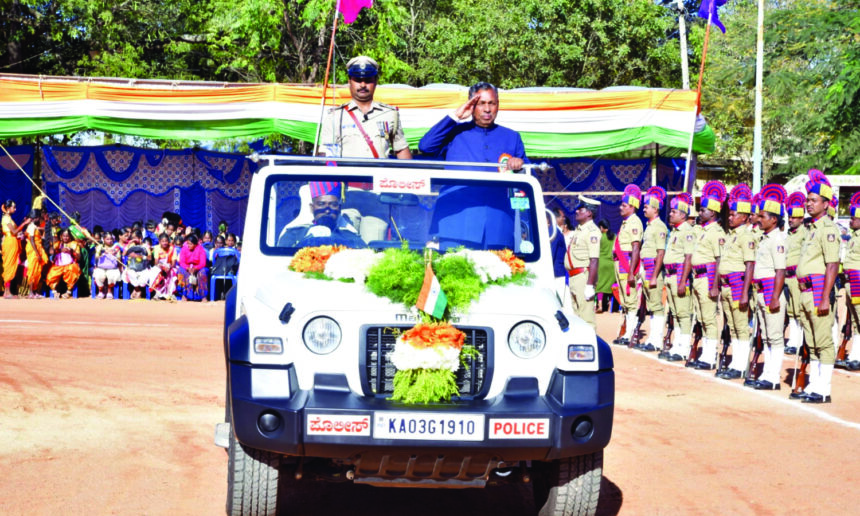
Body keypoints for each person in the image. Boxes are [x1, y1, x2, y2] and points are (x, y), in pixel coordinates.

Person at [793, 169, 841, 403]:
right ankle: (814, 385)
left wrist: (824, 298)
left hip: (818, 291)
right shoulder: (811, 229)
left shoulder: (828, 230)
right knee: (811, 342)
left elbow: (832, 265)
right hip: (805, 292)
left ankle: (824, 389)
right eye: (807, 200)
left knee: (823, 341)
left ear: (825, 204)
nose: (808, 204)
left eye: (813, 200)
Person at [319, 56, 412, 159]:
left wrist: (411, 174)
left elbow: (401, 150)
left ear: (376, 81)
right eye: (358, 80)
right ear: (349, 82)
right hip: (348, 175)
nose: (363, 85)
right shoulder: (335, 116)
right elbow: (326, 156)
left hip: (380, 174)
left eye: (367, 80)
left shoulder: (390, 114)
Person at [419, 82, 526, 170]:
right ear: (471, 104)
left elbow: (530, 174)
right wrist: (456, 116)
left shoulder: (512, 137)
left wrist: (519, 164)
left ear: (498, 104)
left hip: (496, 196)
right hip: (456, 195)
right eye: (481, 103)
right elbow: (425, 147)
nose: (487, 109)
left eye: (492, 103)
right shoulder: (454, 132)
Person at [716, 184, 757, 379]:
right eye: (729, 214)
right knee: (732, 325)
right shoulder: (730, 235)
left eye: (733, 214)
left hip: (737, 285)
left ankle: (741, 365)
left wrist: (743, 293)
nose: (730, 217)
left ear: (744, 217)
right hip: (726, 285)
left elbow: (750, 265)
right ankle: (736, 362)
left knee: (740, 326)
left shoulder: (746, 237)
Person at [750, 185, 789, 390]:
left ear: (774, 219)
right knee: (765, 335)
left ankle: (773, 377)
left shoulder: (777, 240)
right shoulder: (765, 238)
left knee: (774, 336)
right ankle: (767, 373)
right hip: (761, 291)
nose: (759, 219)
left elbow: (780, 271)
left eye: (763, 216)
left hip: (771, 292)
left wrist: (774, 297)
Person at [689, 181, 727, 369]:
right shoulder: (703, 230)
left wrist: (715, 286)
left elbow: (720, 260)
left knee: (709, 318)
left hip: (708, 278)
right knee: (701, 318)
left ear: (712, 212)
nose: (700, 212)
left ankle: (711, 357)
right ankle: (706, 353)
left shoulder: (717, 232)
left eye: (703, 209)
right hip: (698, 277)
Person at [278, 182, 367, 248]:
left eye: (333, 204)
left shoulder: (351, 237)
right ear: (311, 208)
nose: (327, 211)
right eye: (321, 204)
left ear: (339, 208)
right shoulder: (293, 234)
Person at [661, 193, 696, 361]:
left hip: (679, 276)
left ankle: (683, 348)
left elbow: (689, 257)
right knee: (675, 313)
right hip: (670, 275)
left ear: (683, 214)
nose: (670, 214)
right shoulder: (675, 231)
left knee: (683, 313)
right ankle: (677, 345)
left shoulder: (687, 231)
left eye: (674, 212)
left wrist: (683, 280)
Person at [637, 186, 669, 351]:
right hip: (646, 269)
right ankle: (652, 338)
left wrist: (655, 275)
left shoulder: (660, 227)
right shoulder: (649, 226)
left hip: (653, 271)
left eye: (647, 207)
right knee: (650, 305)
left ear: (655, 209)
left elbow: (660, 253)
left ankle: (656, 340)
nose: (644, 209)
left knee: (656, 306)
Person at [613, 185, 644, 345]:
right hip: (621, 264)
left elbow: (635, 247)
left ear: (632, 207)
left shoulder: (634, 222)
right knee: (625, 300)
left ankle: (630, 334)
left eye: (624, 206)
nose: (621, 208)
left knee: (631, 301)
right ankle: (626, 332)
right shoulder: (626, 222)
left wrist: (632, 272)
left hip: (627, 264)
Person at [565, 195, 602, 327]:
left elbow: (594, 260)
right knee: (577, 317)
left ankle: (591, 345)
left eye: (581, 209)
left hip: (583, 277)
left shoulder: (592, 232)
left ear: (589, 213)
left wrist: (589, 285)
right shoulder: (579, 230)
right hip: (574, 276)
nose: (577, 211)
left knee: (586, 319)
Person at [783, 191, 808, 357]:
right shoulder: (789, 234)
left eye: (794, 217)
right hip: (787, 277)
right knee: (791, 311)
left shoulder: (804, 233)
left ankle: (799, 341)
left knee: (799, 311)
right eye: (789, 217)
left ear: (801, 218)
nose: (790, 220)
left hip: (797, 276)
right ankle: (792, 340)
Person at [841, 192, 860, 371]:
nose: (850, 221)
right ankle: (855, 354)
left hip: (859, 282)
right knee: (855, 321)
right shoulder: (854, 236)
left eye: (853, 218)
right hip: (850, 281)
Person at [2, 200, 30, 298]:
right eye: (13, 207)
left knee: (12, 265)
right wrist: (24, 223)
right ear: (8, 208)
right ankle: (7, 292)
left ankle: (7, 291)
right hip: (9, 243)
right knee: (9, 266)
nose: (15, 209)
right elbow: (13, 231)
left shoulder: (9, 218)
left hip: (13, 242)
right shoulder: (6, 218)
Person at [46, 228, 81, 298]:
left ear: (70, 236)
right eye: (64, 236)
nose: (65, 237)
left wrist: (71, 251)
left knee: (72, 272)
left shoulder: (74, 244)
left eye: (67, 236)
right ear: (61, 236)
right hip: (58, 265)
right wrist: (58, 250)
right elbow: (51, 252)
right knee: (51, 276)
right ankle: (55, 292)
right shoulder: (58, 243)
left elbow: (79, 257)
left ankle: (68, 292)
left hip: (70, 265)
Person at [24, 209, 49, 298]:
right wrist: (37, 253)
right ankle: (30, 292)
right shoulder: (31, 226)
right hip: (33, 250)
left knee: (37, 271)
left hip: (38, 249)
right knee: (32, 271)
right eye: (36, 218)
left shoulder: (34, 226)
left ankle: (34, 291)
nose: (38, 219)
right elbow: (32, 241)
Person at [176, 234, 209, 302]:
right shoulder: (184, 249)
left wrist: (196, 268)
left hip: (199, 268)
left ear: (195, 244)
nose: (188, 245)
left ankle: (203, 296)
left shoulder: (200, 249)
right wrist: (187, 268)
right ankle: (185, 294)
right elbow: (182, 262)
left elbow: (203, 263)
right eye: (188, 243)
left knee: (203, 273)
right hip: (187, 267)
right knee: (181, 271)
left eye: (190, 244)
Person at [122, 230, 151, 299]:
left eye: (135, 237)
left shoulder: (145, 246)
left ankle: (138, 290)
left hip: (143, 268)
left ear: (140, 237)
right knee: (130, 273)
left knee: (144, 276)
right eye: (132, 238)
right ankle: (137, 289)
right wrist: (129, 244)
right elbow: (123, 255)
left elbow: (149, 258)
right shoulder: (130, 245)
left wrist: (138, 256)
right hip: (132, 267)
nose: (133, 239)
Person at [93, 232, 122, 299]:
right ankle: (101, 291)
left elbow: (119, 259)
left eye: (111, 239)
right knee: (99, 275)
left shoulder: (116, 247)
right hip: (101, 267)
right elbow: (96, 257)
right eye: (107, 239)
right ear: (103, 239)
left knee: (112, 275)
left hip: (112, 268)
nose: (109, 241)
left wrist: (114, 253)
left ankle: (109, 291)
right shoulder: (100, 246)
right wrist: (103, 253)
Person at [149, 233, 177, 300]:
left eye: (166, 241)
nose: (165, 243)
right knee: (155, 271)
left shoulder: (172, 248)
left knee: (173, 272)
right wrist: (162, 267)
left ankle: (171, 293)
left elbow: (173, 262)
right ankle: (157, 294)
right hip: (159, 266)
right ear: (160, 242)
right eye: (163, 241)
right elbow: (156, 262)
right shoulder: (157, 248)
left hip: (169, 266)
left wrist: (169, 267)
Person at [595, 219, 616, 314]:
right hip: (611, 263)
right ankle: (609, 306)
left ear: (601, 227)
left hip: (601, 263)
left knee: (600, 284)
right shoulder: (614, 236)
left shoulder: (599, 237)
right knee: (611, 286)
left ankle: (599, 305)